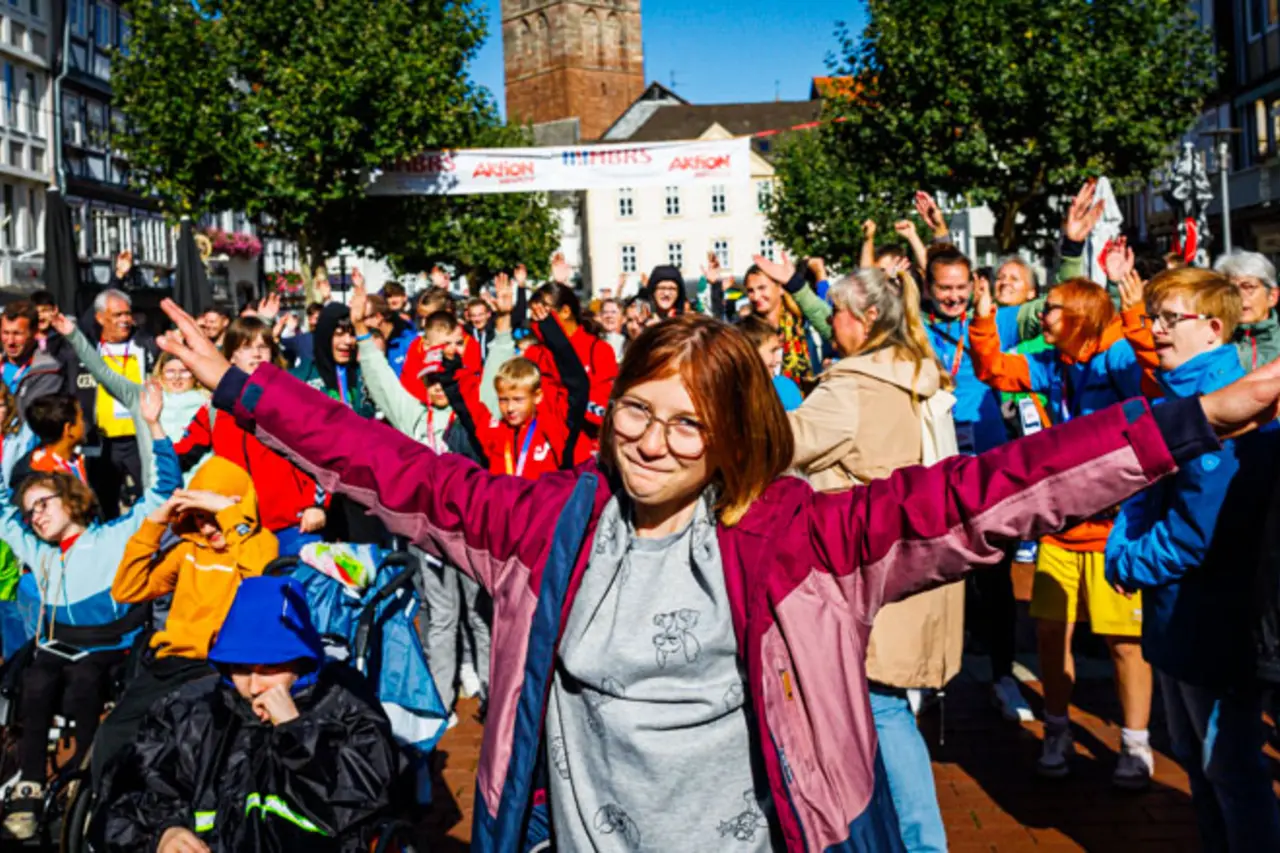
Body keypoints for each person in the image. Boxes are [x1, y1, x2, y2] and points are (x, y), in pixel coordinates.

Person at [155, 294, 1274, 852]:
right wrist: (249, 390)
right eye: (636, 411)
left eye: (686, 426)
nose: (650, 441)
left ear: (733, 437)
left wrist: (1187, 420)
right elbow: (392, 464)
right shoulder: (541, 523)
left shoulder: (795, 540)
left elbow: (986, 495)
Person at [1106, 269, 1280, 851]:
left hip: (1217, 621)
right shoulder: (1183, 392)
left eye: (1167, 318)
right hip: (1182, 615)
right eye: (1152, 315)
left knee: (1229, 768)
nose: (1153, 329)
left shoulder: (1226, 409)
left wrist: (1124, 561)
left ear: (1211, 328)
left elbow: (1190, 535)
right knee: (1196, 761)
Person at [786, 267, 957, 852]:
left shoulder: (854, 385)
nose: (830, 323)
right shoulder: (913, 374)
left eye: (836, 313)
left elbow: (785, 443)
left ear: (863, 322)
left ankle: (917, 843)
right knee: (884, 705)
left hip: (861, 567)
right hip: (910, 559)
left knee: (879, 708)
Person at [968, 273, 1155, 786]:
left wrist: (1136, 314)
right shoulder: (1051, 364)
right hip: (1061, 527)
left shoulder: (1114, 355)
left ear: (1079, 317)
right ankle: (1057, 729)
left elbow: (1151, 372)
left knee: (1124, 641)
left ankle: (1135, 746)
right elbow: (993, 368)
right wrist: (985, 317)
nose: (1041, 315)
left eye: (1051, 308)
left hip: (1117, 529)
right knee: (1050, 634)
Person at [96, 576, 400, 853]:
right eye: (240, 668)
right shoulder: (188, 710)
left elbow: (359, 803)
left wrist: (296, 731)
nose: (254, 686)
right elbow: (126, 796)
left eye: (269, 667)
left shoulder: (346, 707)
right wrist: (161, 835)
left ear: (301, 660)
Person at [0, 382, 179, 840]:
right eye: (30, 511)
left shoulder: (112, 536)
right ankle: (31, 786)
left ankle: (84, 776)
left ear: (70, 500)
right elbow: (3, 509)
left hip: (109, 644)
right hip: (58, 643)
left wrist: (154, 424)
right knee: (35, 680)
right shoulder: (36, 549)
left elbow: (162, 494)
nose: (35, 515)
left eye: (43, 504)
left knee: (82, 683)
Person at [92, 457, 278, 784]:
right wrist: (154, 523)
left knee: (187, 736)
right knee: (114, 732)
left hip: (221, 666)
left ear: (235, 507)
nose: (206, 528)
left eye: (213, 517)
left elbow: (260, 583)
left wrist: (231, 518)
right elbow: (127, 589)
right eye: (199, 518)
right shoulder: (187, 551)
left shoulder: (260, 544)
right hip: (172, 661)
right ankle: (108, 811)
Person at [174, 317, 324, 556]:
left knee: (302, 591)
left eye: (263, 346)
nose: (256, 354)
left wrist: (317, 505)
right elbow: (180, 454)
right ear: (231, 355)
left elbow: (321, 455)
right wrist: (154, 431)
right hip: (239, 526)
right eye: (246, 347)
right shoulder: (214, 409)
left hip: (294, 524)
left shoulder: (293, 399)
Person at [79, 288, 157, 519]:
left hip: (138, 438)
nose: (125, 320)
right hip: (102, 441)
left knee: (149, 498)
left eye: (127, 314)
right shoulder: (90, 348)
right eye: (117, 315)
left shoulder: (145, 345)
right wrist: (117, 278)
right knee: (104, 504)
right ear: (100, 318)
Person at [525, 283, 617, 461]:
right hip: (542, 451)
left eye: (544, 312)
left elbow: (603, 408)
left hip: (583, 451)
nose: (538, 318)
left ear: (565, 311)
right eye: (534, 314)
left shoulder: (598, 349)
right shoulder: (534, 353)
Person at [744, 263, 816, 385]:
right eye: (751, 290)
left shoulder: (803, 324)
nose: (756, 297)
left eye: (762, 288)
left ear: (781, 288)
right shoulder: (748, 330)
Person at [1212, 249, 1280, 371]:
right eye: (1230, 289)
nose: (1238, 296)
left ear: (1272, 297)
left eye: (1248, 287)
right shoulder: (1212, 341)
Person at [1, 300, 67, 422]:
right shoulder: (1, 365)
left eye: (17, 334)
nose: (10, 341)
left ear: (35, 333)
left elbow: (34, 421)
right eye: (6, 333)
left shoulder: (48, 370)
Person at [736, 315, 804, 411]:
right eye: (773, 351)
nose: (778, 360)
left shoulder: (785, 388)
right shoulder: (732, 394)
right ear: (749, 353)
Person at [29, 290, 78, 395]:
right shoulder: (26, 342)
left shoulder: (64, 340)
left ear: (54, 310)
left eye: (45, 310)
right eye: (36, 312)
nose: (41, 317)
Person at [280, 302, 323, 368]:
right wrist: (289, 328)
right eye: (311, 318)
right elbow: (283, 342)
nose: (314, 322)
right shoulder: (302, 338)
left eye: (317, 318)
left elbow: (283, 340)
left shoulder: (303, 337)